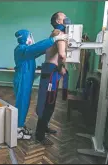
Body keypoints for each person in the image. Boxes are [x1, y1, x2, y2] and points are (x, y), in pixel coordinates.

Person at [13, 29, 68, 140]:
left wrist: (51, 47)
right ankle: (17, 129)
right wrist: (55, 39)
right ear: (25, 38)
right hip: (22, 79)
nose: (32, 39)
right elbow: (36, 48)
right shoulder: (21, 49)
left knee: (25, 102)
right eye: (30, 36)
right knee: (22, 103)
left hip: (26, 80)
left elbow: (38, 51)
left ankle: (20, 124)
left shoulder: (26, 51)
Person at [35, 12, 71, 145]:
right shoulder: (58, 34)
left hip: (51, 71)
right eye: (64, 17)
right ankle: (39, 135)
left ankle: (44, 127)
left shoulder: (57, 34)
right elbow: (61, 55)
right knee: (47, 103)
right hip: (51, 71)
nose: (67, 19)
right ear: (58, 20)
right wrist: (62, 67)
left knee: (51, 102)